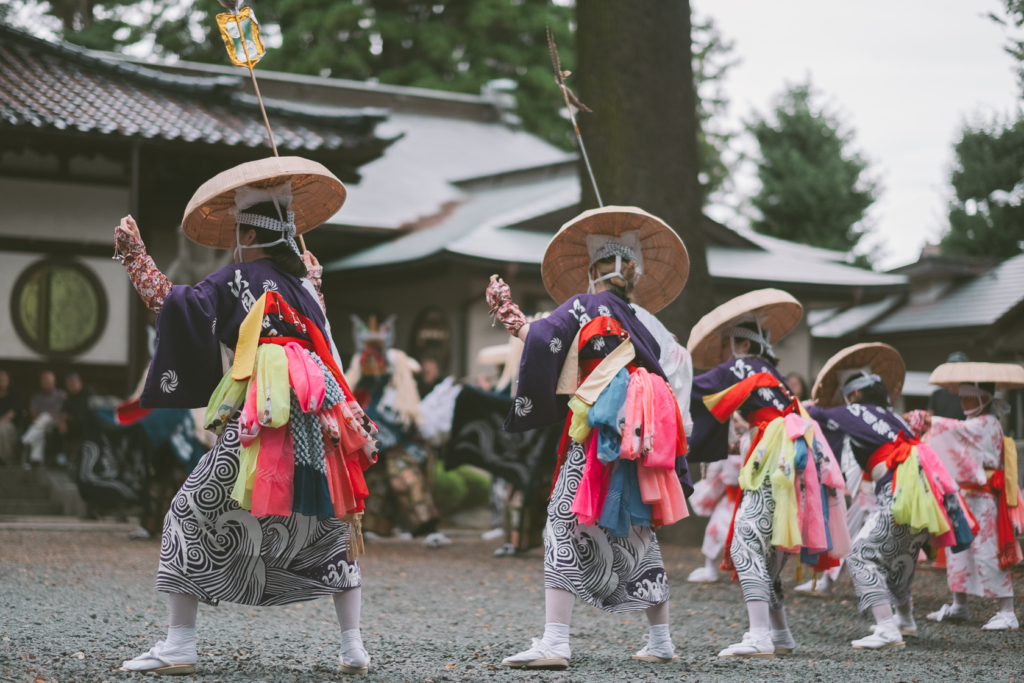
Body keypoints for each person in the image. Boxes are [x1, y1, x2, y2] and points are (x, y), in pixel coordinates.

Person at [115, 158, 378, 677]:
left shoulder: (236, 277)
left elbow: (172, 304)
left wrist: (135, 258)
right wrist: (316, 284)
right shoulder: (303, 289)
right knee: (329, 526)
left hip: (264, 416)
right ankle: (353, 649)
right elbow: (329, 356)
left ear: (250, 233)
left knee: (188, 512)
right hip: (320, 416)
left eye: (238, 231)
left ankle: (179, 643)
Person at [489, 207, 693, 670]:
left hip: (600, 427)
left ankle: (556, 641)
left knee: (561, 519)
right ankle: (660, 640)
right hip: (638, 433)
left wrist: (509, 315)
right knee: (638, 529)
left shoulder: (587, 305)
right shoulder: (637, 317)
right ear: (632, 275)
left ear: (594, 271)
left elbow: (542, 336)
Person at [687, 289, 849, 659]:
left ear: (743, 344)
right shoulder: (772, 375)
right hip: (795, 461)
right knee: (769, 551)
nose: (728, 354)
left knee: (746, 543)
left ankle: (759, 635)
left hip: (776, 459)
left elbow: (697, 389)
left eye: (731, 345)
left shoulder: (746, 366)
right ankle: (780, 635)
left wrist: (670, 362)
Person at [804, 343, 968, 650]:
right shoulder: (895, 419)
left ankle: (887, 627)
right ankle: (905, 620)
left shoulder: (855, 412)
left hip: (901, 488)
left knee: (861, 555)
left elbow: (814, 416)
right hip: (926, 489)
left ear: (854, 396)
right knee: (899, 557)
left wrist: (808, 405)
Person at [916, 362, 1024, 631]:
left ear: (983, 399)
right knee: (959, 550)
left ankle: (1007, 611)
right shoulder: (975, 423)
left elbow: (956, 431)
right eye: (961, 396)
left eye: (968, 396)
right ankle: (959, 605)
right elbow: (958, 433)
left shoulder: (986, 422)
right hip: (966, 496)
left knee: (988, 552)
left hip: (983, 499)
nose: (962, 401)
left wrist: (929, 420)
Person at [346, 315, 448, 547]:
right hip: (372, 435)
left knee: (407, 479)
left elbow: (408, 418)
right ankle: (373, 527)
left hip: (395, 440)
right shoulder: (361, 375)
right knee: (377, 484)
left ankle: (427, 528)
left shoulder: (397, 375)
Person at [686, 413, 745, 583]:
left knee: (747, 537)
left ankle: (749, 571)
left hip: (747, 499)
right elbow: (716, 467)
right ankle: (710, 567)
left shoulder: (753, 437)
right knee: (714, 530)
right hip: (732, 498)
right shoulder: (725, 441)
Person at [21, 370, 66, 468]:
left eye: (47, 380)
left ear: (54, 381)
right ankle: (36, 459)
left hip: (57, 423)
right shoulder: (36, 397)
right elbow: (33, 414)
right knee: (43, 420)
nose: (45, 382)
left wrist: (60, 420)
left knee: (40, 424)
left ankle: (27, 439)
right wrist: (43, 418)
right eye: (43, 380)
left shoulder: (62, 395)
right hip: (42, 424)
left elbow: (67, 410)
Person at [927, 352, 970, 420]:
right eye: (951, 370)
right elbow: (929, 417)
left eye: (957, 370)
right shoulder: (937, 395)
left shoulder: (969, 397)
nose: (954, 373)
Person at [0, 370, 22, 467]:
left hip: (9, 424)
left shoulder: (13, 395)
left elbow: (11, 414)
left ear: (8, 381)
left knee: (1, 429)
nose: (1, 380)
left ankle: (5, 458)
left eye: (4, 379)